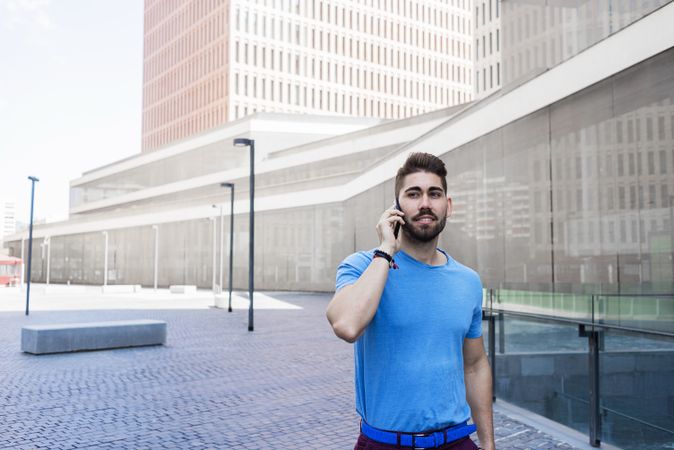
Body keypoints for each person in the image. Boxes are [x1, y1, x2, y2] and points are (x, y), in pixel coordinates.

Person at [327, 152, 495, 450]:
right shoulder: (362, 265)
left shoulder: (467, 281)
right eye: (413, 194)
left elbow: (475, 364)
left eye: (435, 193)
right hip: (383, 444)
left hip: (455, 442)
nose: (425, 203)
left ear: (448, 205)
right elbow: (347, 325)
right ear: (396, 208)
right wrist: (385, 251)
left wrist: (489, 443)